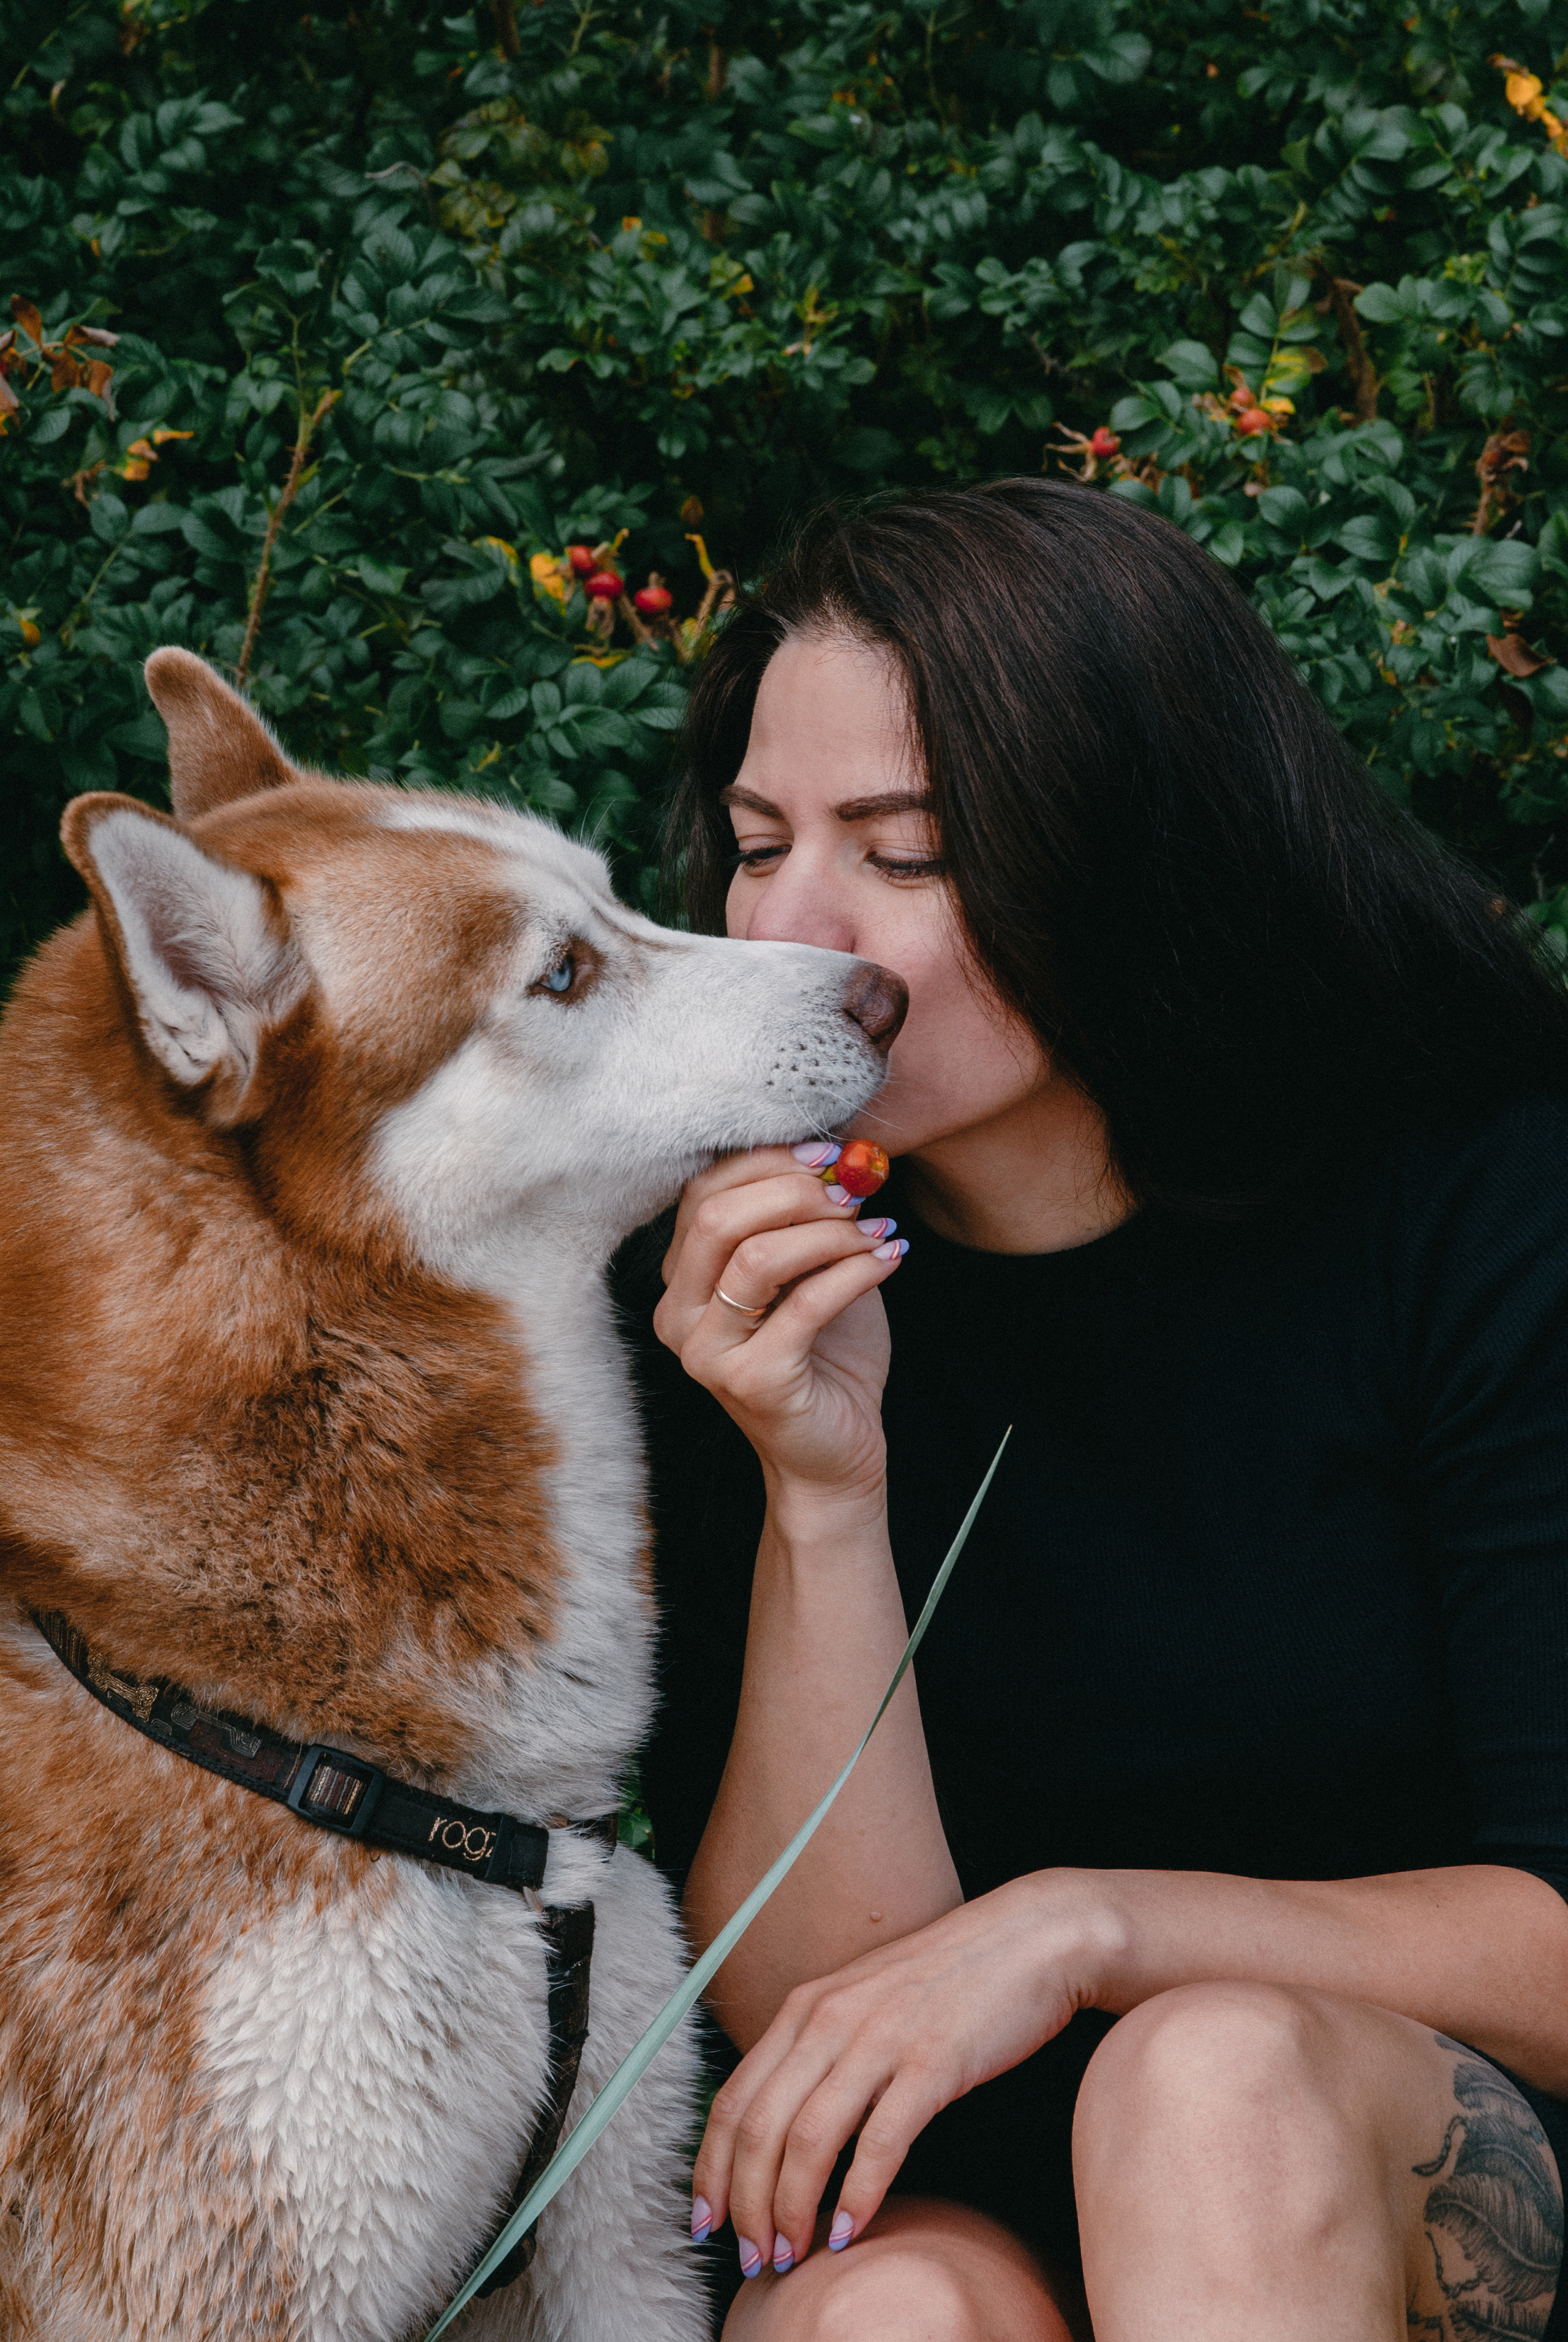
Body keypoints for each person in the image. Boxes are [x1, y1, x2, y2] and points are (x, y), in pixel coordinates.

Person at [612, 480, 1568, 2342]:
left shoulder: (1478, 1206)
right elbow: (827, 2018)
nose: (787, 934)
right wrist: (821, 1485)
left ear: (1140, 857)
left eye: (902, 852)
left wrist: (1083, 1925)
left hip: (1403, 2152)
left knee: (1206, 2081)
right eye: (754, 845)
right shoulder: (725, 1287)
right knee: (870, 2320)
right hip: (983, 2204)